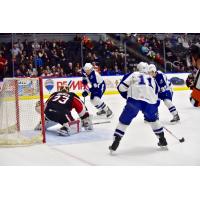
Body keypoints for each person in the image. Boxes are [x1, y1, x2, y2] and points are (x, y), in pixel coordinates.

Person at [109, 62, 167, 152]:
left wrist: (127, 96)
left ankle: (116, 141)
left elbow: (121, 87)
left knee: (124, 121)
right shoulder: (152, 79)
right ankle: (162, 139)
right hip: (150, 103)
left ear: (138, 68)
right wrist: (153, 108)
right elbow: (157, 94)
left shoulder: (133, 74)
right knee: (154, 121)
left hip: (134, 101)